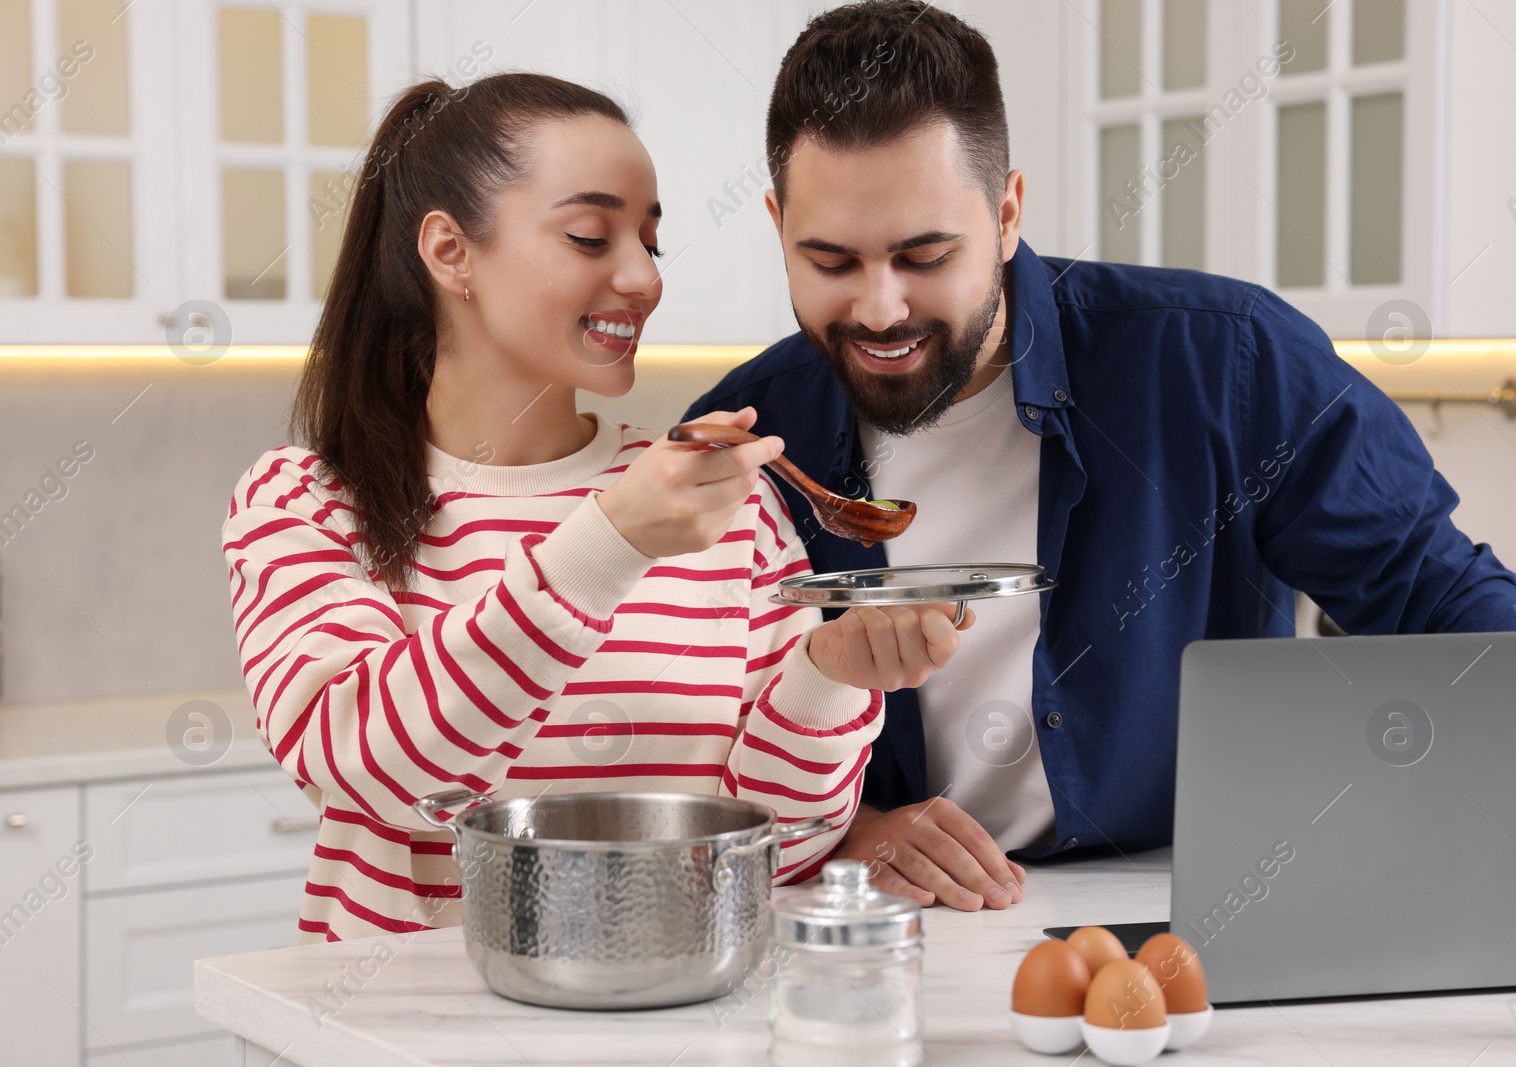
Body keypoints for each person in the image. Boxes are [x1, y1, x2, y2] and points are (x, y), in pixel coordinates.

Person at [684, 1, 1516, 913]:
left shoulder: (1227, 363)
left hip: (1193, 917)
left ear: (1008, 213)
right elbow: (681, 753)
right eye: (829, 262)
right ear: (777, 224)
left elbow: (1448, 612)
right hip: (875, 927)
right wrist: (838, 834)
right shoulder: (744, 437)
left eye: (925, 254)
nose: (881, 309)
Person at [222, 73, 971, 943]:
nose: (641, 277)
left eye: (651, 240)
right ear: (450, 251)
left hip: (674, 1013)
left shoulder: (723, 504)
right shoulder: (308, 502)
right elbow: (365, 772)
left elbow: (774, 852)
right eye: (589, 235)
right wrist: (607, 545)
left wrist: (828, 674)